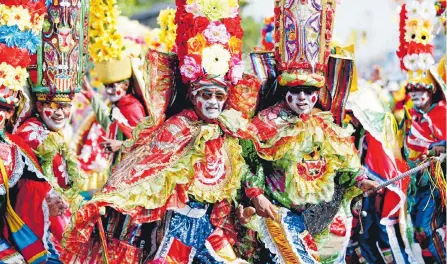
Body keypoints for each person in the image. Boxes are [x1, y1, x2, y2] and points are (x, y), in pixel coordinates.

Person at [61, 1, 259, 262]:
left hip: (210, 231)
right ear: (192, 95)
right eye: (206, 94)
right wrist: (110, 201)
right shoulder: (177, 128)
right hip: (176, 230)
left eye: (219, 95)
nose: (213, 102)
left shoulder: (226, 132)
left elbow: (228, 189)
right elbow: (142, 171)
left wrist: (243, 209)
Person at [235, 1, 379, 263]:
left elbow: (344, 164)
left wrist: (361, 180)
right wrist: (256, 196)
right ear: (285, 91)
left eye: (309, 92)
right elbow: (247, 163)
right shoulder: (265, 123)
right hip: (278, 214)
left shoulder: (324, 124)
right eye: (296, 91)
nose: (302, 98)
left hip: (321, 216)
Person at [13, 0, 88, 258]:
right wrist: (45, 203)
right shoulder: (28, 133)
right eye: (51, 104)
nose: (59, 112)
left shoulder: (53, 135)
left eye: (65, 105)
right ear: (37, 103)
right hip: (34, 228)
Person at [0, 1, 67, 260]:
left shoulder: (13, 150)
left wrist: (49, 199)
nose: (1, 116)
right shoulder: (27, 136)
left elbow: (36, 181)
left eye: (6, 108)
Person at [396, 2, 447, 262]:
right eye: (412, 89)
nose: (416, 93)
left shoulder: (443, 111)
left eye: (421, 89)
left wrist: (439, 148)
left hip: (442, 181)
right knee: (419, 229)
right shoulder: (410, 115)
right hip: (419, 182)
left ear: (432, 91)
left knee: (430, 226)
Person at [344, 85, 417, 264]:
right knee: (365, 238)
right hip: (368, 196)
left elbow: (384, 173)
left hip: (381, 196)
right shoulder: (361, 134)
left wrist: (377, 197)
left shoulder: (376, 138)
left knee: (387, 237)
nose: (351, 118)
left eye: (354, 114)